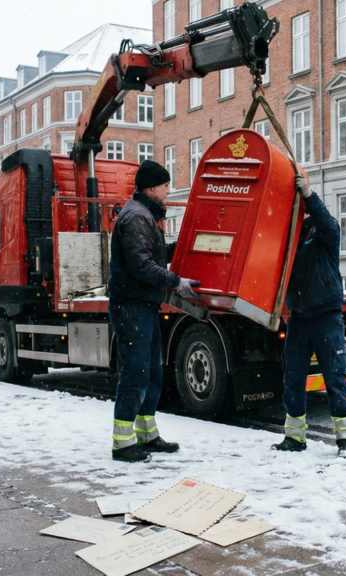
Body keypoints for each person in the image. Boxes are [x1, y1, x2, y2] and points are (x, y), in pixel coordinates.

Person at [107, 160, 201, 463]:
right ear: (151, 187)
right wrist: (177, 281)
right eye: (165, 185)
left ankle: (147, 436)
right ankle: (123, 444)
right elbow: (141, 265)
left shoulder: (144, 214)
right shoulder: (136, 217)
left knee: (151, 372)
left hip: (143, 305)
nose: (168, 190)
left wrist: (184, 245)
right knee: (135, 374)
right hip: (131, 306)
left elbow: (152, 255)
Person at [272, 174, 346, 458]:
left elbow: (328, 222)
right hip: (299, 317)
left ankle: (345, 441)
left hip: (325, 317)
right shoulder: (290, 237)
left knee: (334, 377)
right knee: (293, 377)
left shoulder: (324, 232)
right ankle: (294, 438)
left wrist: (309, 195)